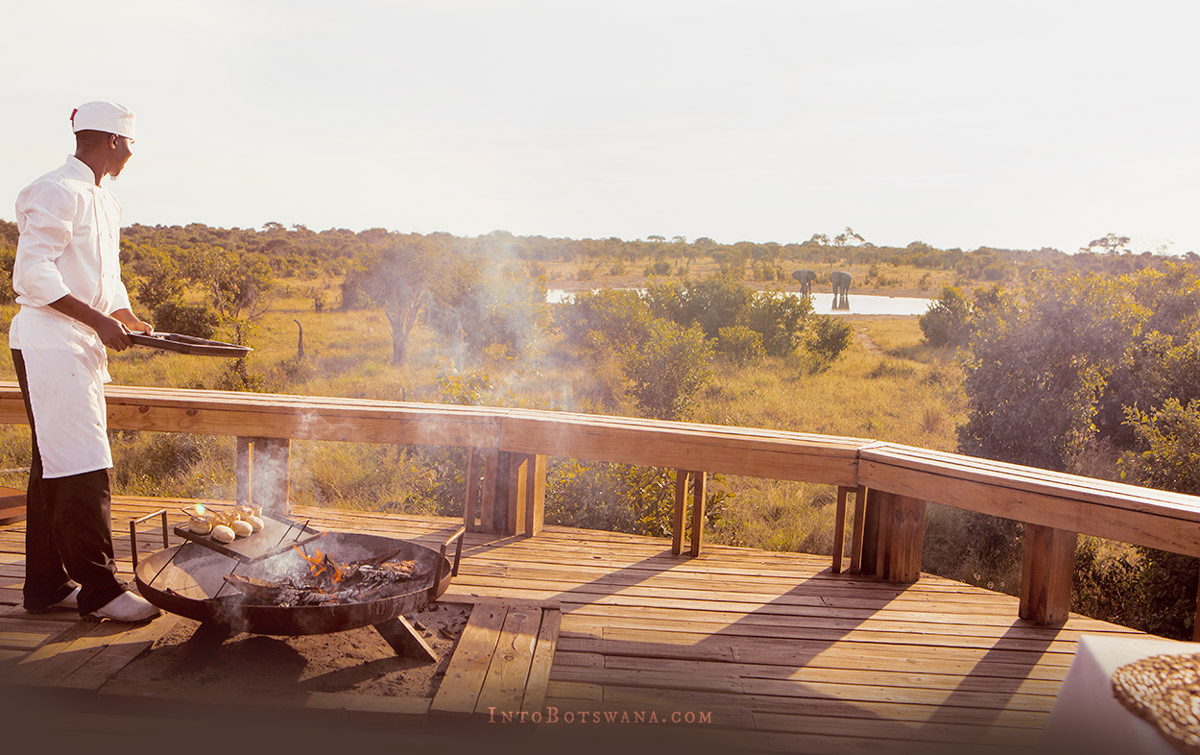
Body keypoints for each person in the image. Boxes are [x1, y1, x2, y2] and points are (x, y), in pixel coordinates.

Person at [10, 101, 160, 622]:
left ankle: (47, 585)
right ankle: (100, 589)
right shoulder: (55, 189)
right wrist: (98, 322)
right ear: (114, 140)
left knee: (52, 462)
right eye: (131, 143)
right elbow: (33, 273)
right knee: (82, 462)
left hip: (77, 343)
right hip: (50, 342)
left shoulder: (106, 199)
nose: (132, 153)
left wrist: (122, 313)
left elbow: (104, 277)